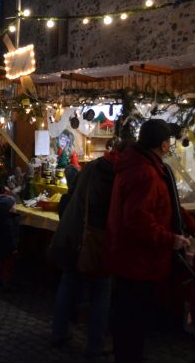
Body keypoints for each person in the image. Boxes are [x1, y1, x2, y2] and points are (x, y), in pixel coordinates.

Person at [105, 119, 195, 363]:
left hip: (132, 259)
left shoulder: (145, 165)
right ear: (163, 144)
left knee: (131, 322)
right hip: (137, 262)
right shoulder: (145, 172)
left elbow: (167, 203)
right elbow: (138, 221)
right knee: (132, 325)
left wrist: (193, 227)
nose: (170, 146)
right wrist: (170, 239)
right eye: (169, 142)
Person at [48, 138, 127, 358]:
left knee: (68, 283)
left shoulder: (92, 167)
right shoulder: (121, 176)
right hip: (99, 241)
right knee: (101, 291)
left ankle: (58, 334)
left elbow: (72, 194)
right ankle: (95, 345)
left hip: (76, 235)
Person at [0, 194, 20, 290]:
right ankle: (6, 281)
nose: (16, 207)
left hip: (1, 246)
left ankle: (2, 278)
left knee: (3, 263)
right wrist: (14, 248)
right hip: (8, 248)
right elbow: (10, 236)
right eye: (14, 205)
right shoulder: (8, 222)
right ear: (7, 208)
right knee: (8, 265)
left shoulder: (0, 217)